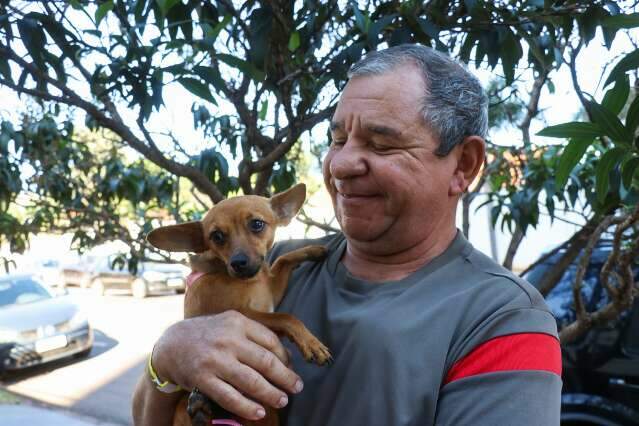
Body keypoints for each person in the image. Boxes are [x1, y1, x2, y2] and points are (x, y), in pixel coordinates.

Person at [132, 44, 561, 426]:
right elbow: (146, 416)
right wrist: (167, 357)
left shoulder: (503, 319)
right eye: (338, 139)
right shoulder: (274, 265)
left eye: (381, 144)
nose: (340, 165)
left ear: (463, 165)